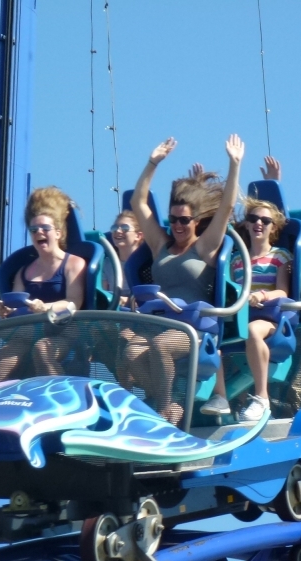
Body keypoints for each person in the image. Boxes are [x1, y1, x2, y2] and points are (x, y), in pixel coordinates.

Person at [120, 135, 245, 423]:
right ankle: (172, 403)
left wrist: (235, 164)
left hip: (195, 328)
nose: (178, 225)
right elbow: (138, 202)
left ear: (196, 221)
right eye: (174, 219)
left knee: (160, 346)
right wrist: (153, 163)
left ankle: (165, 408)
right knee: (130, 353)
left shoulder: (204, 246)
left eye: (184, 220)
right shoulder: (160, 245)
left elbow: (226, 208)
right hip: (161, 323)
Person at [203, 199, 292, 422]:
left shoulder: (280, 256)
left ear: (274, 227)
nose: (258, 223)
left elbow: (282, 291)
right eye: (253, 219)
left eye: (265, 220)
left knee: (253, 330)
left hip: (270, 319)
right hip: (242, 317)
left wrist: (262, 295)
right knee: (212, 336)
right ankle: (221, 396)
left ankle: (262, 397)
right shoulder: (236, 260)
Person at [0, 187, 87, 381]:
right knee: (2, 362)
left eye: (45, 228)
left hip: (63, 330)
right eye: (34, 230)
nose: (39, 232)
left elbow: (74, 302)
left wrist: (45, 308)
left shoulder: (74, 264)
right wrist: (4, 310)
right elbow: (16, 307)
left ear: (57, 233)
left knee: (43, 350)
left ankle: (59, 395)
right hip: (28, 332)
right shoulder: (23, 272)